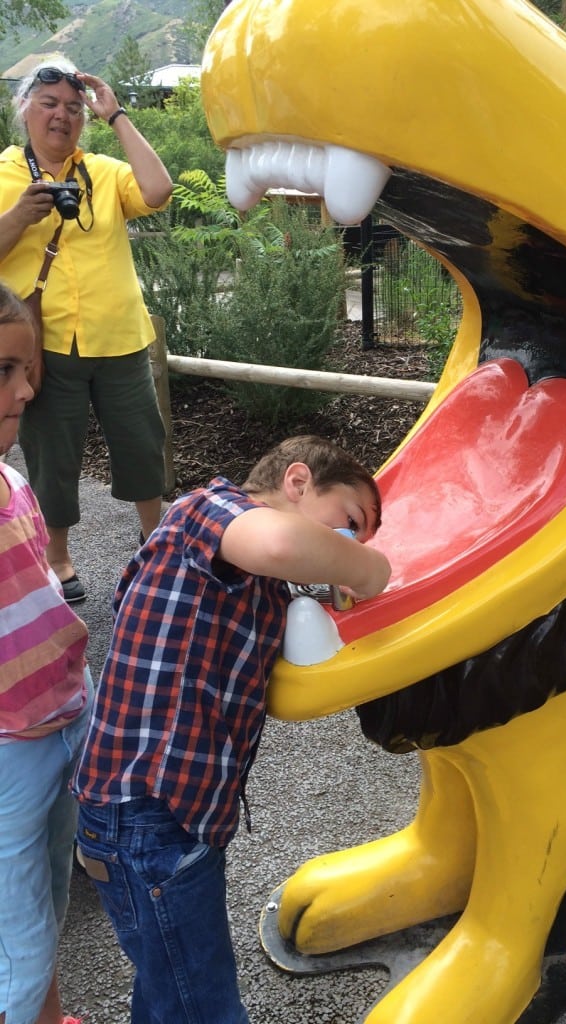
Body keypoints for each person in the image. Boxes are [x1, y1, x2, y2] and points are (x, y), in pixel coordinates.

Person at [72, 434, 391, 1023]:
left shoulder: (236, 570)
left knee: (170, 989)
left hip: (158, 819)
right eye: (348, 523)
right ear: (297, 483)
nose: (347, 544)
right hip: (149, 816)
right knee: (204, 1007)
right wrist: (373, 566)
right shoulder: (209, 510)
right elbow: (278, 541)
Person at [0, 56, 174, 605]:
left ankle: (156, 540)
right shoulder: (3, 174)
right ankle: (57, 555)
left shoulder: (100, 170)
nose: (62, 116)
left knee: (142, 446)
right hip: (46, 344)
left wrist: (117, 114)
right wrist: (18, 218)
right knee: (53, 454)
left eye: (73, 108)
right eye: (49, 103)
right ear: (24, 109)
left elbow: (158, 190)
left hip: (119, 336)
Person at [0, 281, 93, 1024]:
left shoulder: (13, 481)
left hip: (61, 719)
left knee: (48, 899)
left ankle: (49, 1015)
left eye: (26, 368)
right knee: (15, 944)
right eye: (4, 369)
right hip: (6, 752)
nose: (28, 388)